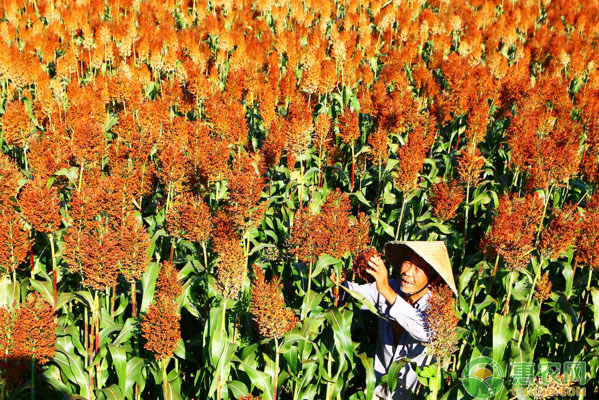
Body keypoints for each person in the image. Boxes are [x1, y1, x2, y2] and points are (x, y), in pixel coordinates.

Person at [330, 241, 458, 400]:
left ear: (434, 279)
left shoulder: (436, 306)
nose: (408, 272)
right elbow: (354, 293)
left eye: (417, 269)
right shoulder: (390, 286)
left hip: (410, 395)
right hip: (376, 390)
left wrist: (386, 291)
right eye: (407, 263)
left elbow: (425, 331)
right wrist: (339, 284)